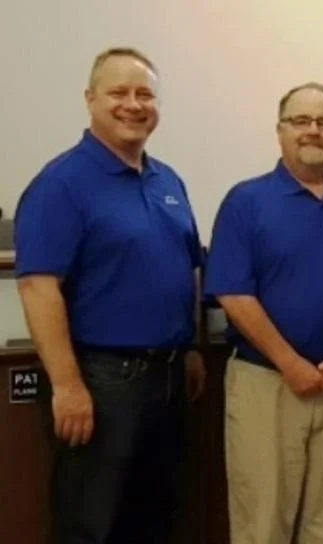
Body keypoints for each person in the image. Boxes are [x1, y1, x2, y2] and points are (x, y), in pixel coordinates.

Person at [13, 47, 206, 543]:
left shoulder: (169, 181)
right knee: (91, 525)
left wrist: (188, 350)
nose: (133, 104)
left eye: (145, 94)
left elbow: (186, 268)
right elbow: (38, 286)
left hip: (166, 381)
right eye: (119, 92)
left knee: (154, 520)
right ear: (90, 99)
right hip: (100, 383)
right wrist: (67, 385)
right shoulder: (62, 183)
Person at [203, 82, 323, 544]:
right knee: (263, 524)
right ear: (280, 131)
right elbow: (233, 293)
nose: (313, 131)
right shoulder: (246, 201)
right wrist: (290, 363)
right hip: (268, 384)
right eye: (301, 121)